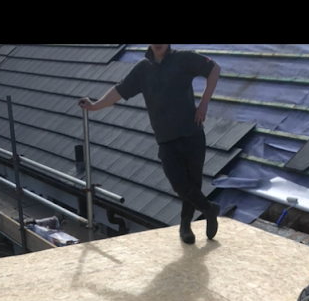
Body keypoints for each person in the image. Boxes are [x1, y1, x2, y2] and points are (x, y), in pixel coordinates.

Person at [79, 44, 221, 245]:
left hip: (192, 134)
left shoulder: (184, 58)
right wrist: (94, 106)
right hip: (166, 139)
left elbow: (214, 69)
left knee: (193, 184)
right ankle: (209, 209)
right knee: (180, 184)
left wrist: (204, 103)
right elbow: (119, 91)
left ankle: (185, 225)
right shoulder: (142, 69)